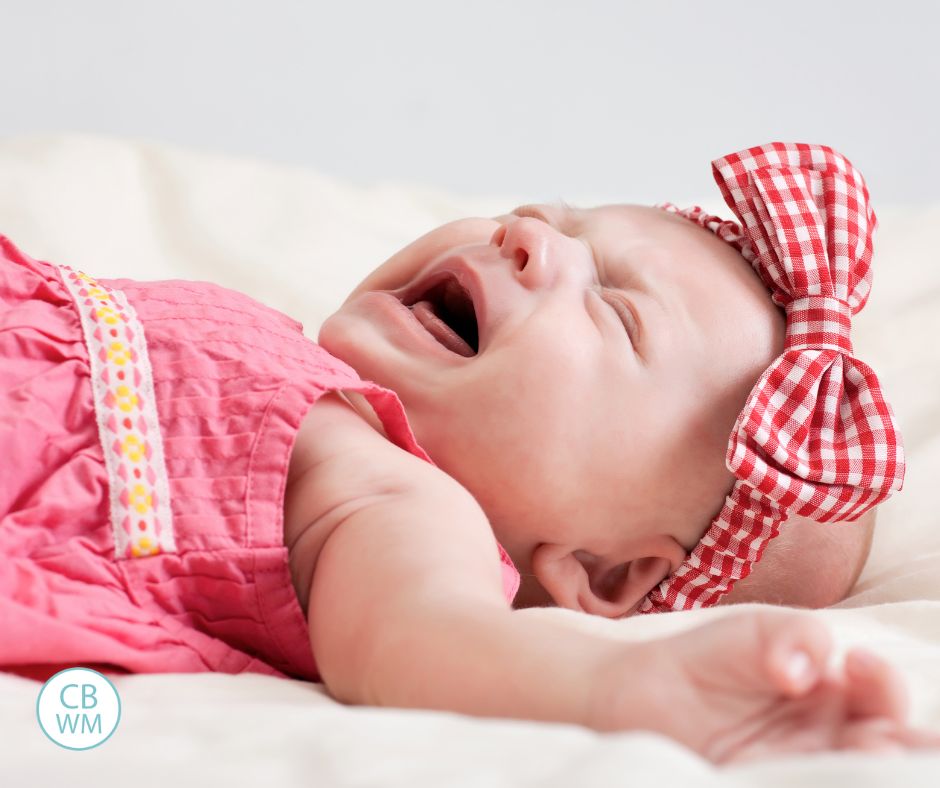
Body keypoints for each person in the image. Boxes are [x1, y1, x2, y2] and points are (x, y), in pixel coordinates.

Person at [1, 142, 935, 763]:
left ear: (604, 580)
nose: (526, 238)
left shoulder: (394, 498)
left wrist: (621, 687)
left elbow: (423, 645)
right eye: (556, 220)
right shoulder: (276, 351)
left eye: (614, 311)